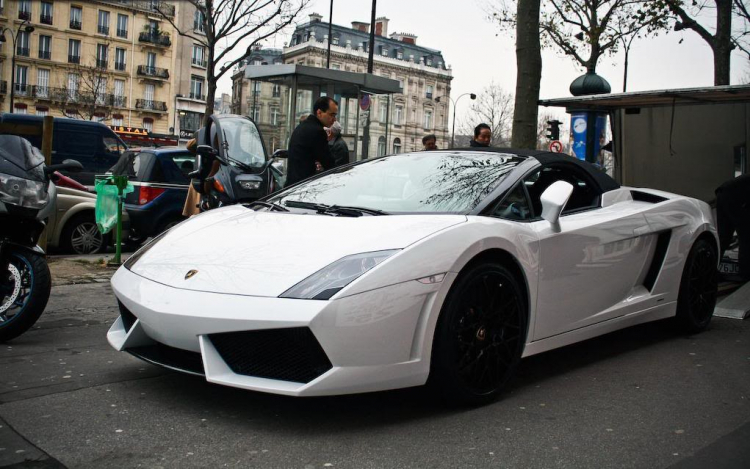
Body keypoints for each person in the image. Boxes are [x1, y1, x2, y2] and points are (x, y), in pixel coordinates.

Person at [286, 97, 337, 185]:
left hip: (292, 184)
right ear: (319, 112)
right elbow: (329, 163)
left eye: (335, 115)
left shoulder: (303, 127)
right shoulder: (317, 131)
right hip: (303, 186)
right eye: (331, 115)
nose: (334, 119)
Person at [715, 174, 750, 281]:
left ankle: (712, 271)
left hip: (722, 193)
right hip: (732, 197)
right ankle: (745, 273)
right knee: (746, 235)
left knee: (724, 236)